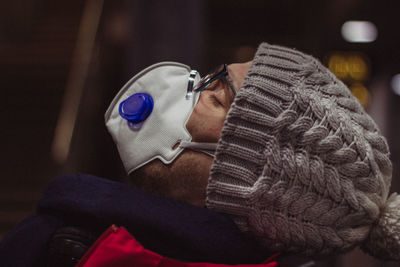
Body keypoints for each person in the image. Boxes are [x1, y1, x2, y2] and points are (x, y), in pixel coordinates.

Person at [1, 42, 399, 266]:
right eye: (208, 75)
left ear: (242, 179)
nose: (194, 85)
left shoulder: (61, 248)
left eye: (217, 92)